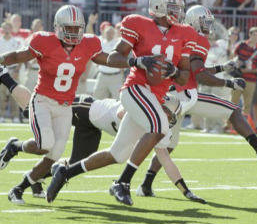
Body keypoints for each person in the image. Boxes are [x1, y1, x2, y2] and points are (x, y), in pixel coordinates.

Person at [46, 0, 201, 206]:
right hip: (135, 89)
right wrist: (137, 61)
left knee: (116, 155)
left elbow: (184, 77)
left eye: (178, 7)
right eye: (172, 7)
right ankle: (123, 182)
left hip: (154, 97)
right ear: (158, 7)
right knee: (159, 127)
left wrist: (174, 72)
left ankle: (65, 173)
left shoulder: (185, 33)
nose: (178, 11)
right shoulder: (139, 24)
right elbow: (114, 57)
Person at [0, 66, 205, 204]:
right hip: (86, 108)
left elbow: (166, 160)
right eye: (168, 113)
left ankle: (30, 174)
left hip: (94, 125)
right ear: (160, 107)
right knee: (32, 113)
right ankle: (5, 79)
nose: (168, 119)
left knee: (74, 162)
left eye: (172, 117)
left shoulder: (157, 126)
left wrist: (186, 191)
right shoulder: (144, 112)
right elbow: (121, 112)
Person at [136, 5, 257, 197]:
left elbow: (196, 69)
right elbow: (200, 76)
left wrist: (221, 67)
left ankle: (145, 184)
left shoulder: (182, 35)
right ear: (194, 22)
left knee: (168, 144)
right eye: (204, 22)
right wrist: (229, 82)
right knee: (232, 110)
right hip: (185, 94)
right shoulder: (197, 38)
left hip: (172, 95)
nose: (208, 26)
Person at [0, 5, 109, 204]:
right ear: (58, 27)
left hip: (65, 106)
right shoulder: (45, 41)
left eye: (78, 28)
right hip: (42, 100)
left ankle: (18, 188)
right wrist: (1, 60)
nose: (74, 32)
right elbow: (19, 55)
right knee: (45, 145)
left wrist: (135, 62)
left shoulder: (89, 43)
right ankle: (15, 146)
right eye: (70, 27)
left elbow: (107, 60)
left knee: (54, 154)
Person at [231, 27, 257, 119]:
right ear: (249, 35)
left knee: (247, 105)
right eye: (254, 34)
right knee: (232, 102)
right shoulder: (241, 45)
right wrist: (238, 64)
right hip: (237, 78)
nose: (256, 37)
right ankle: (228, 125)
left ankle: (243, 126)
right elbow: (232, 58)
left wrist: (247, 70)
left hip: (251, 80)